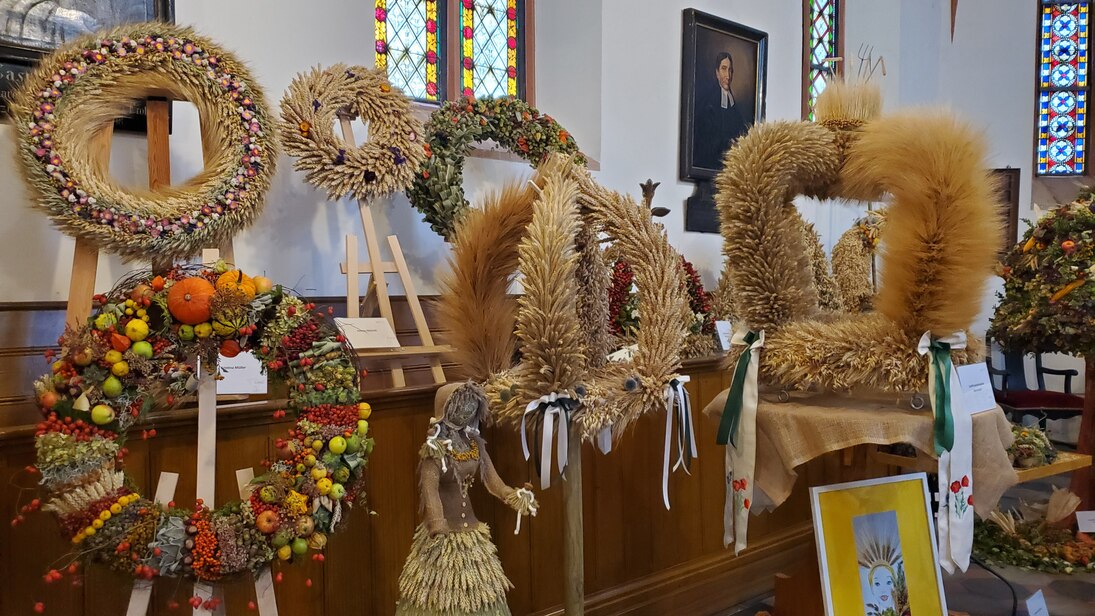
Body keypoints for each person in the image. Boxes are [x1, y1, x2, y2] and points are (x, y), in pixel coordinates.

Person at [394, 381, 538, 616]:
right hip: (442, 535)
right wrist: (437, 524)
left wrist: (514, 496)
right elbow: (429, 490)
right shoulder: (435, 448)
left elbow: (493, 482)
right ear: (445, 409)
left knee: (478, 591)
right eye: (462, 406)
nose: (467, 412)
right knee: (440, 595)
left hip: (471, 532)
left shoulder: (475, 445)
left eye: (472, 406)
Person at [694, 51, 749, 170]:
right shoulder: (709, 103)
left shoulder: (732, 103)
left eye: (730, 70)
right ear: (717, 73)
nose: (727, 75)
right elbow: (706, 140)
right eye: (724, 69)